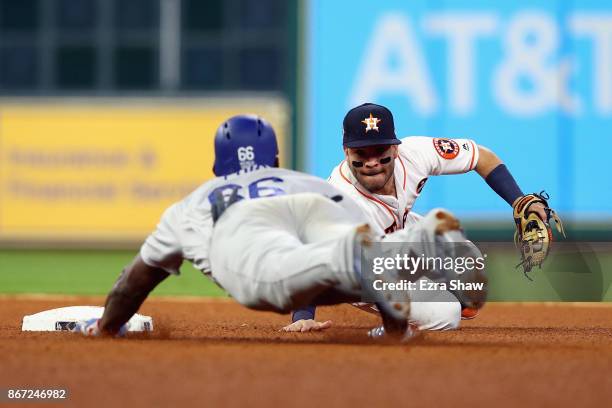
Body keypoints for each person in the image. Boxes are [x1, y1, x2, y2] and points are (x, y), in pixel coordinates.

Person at [73, 114, 477, 342]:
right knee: (359, 259)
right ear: (276, 156)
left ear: (218, 166)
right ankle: (413, 253)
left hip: (261, 278)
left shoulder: (191, 205)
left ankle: (410, 251)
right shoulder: (305, 183)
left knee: (315, 262)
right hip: (329, 264)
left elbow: (134, 282)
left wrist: (107, 326)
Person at [284, 102, 546, 333]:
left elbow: (481, 157)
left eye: (379, 150)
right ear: (346, 152)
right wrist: (303, 315)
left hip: (397, 237)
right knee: (445, 315)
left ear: (396, 149)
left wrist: (518, 200)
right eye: (361, 153)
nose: (372, 161)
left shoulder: (414, 154)